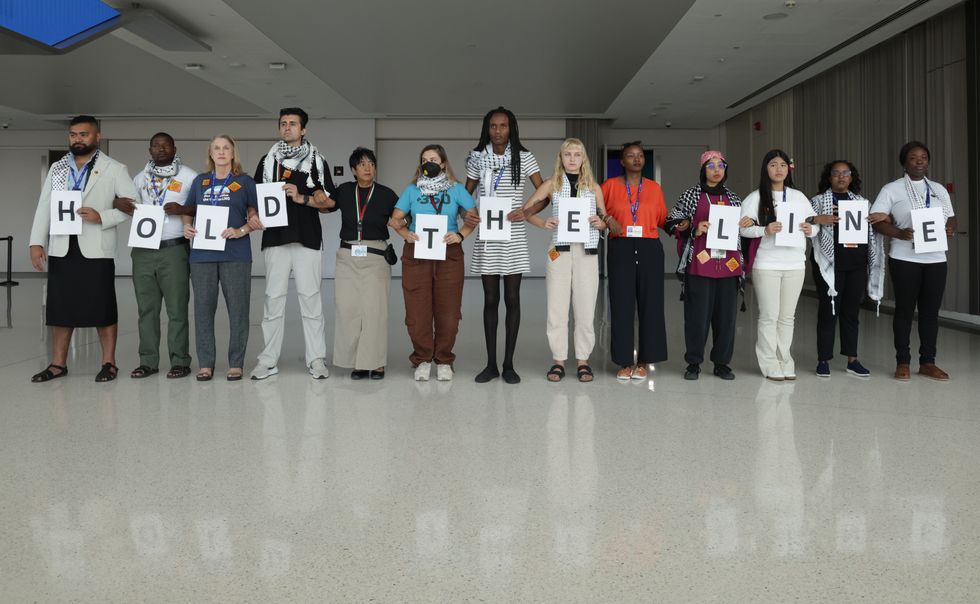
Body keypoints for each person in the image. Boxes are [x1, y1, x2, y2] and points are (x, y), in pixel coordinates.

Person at [29, 115, 138, 383]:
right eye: (73, 135)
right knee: (60, 308)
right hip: (62, 246)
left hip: (96, 248)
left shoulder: (114, 168)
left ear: (97, 137)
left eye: (84, 134)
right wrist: (36, 242)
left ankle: (109, 363)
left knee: (102, 307)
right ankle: (57, 364)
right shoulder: (58, 169)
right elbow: (45, 205)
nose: (78, 139)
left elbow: (133, 205)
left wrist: (102, 216)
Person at [248, 108, 336, 381]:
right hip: (275, 238)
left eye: (293, 124)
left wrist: (302, 198)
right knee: (273, 300)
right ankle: (268, 360)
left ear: (303, 130)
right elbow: (254, 196)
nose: (287, 128)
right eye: (283, 124)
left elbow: (330, 204)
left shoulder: (317, 162)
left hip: (307, 238)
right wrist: (252, 214)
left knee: (311, 300)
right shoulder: (268, 161)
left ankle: (316, 359)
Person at [465, 107, 545, 384]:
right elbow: (466, 194)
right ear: (487, 129)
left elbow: (544, 192)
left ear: (512, 128)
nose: (498, 131)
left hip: (513, 235)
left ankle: (509, 364)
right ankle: (490, 365)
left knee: (512, 299)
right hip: (488, 235)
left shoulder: (524, 157)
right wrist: (467, 212)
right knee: (490, 300)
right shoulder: (477, 157)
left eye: (503, 126)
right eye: (493, 126)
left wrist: (528, 210)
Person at [389, 144, 478, 381]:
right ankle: (422, 358)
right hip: (417, 254)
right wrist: (405, 233)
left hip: (448, 254)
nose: (429, 162)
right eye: (424, 159)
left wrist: (460, 235)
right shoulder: (411, 190)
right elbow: (395, 219)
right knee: (417, 311)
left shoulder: (457, 189)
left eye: (433, 159)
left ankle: (444, 359)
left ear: (443, 164)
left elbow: (473, 218)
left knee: (448, 311)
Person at [114, 132, 198, 379]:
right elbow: (130, 205)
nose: (161, 149)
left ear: (174, 148)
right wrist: (120, 203)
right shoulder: (140, 178)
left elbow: (203, 205)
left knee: (177, 309)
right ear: (149, 150)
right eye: (156, 146)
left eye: (166, 145)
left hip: (174, 249)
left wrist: (183, 209)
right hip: (143, 250)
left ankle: (180, 361)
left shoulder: (189, 176)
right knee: (146, 309)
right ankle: (148, 361)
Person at [870, 141, 956, 381]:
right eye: (913, 158)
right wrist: (899, 233)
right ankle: (903, 362)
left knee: (930, 313)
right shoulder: (892, 189)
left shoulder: (939, 189)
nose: (919, 161)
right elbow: (877, 220)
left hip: (936, 259)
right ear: (904, 163)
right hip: (904, 258)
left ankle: (928, 362)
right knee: (905, 311)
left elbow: (951, 217)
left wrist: (949, 228)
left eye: (924, 157)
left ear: (928, 161)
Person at [523, 138, 608, 382]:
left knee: (585, 307)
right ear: (561, 158)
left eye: (577, 155)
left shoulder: (593, 186)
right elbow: (526, 210)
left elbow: (604, 217)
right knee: (557, 309)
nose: (572, 159)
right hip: (558, 251)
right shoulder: (552, 184)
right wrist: (542, 222)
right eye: (567, 154)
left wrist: (600, 223)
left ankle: (583, 360)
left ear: (583, 159)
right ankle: (558, 360)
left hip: (587, 251)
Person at [665, 150, 752, 381]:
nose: (716, 170)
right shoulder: (691, 194)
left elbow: (746, 229)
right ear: (703, 170)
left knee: (726, 318)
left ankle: (722, 363)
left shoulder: (734, 198)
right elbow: (672, 220)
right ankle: (693, 363)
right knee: (697, 317)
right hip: (700, 263)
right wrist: (693, 227)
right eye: (711, 166)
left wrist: (748, 222)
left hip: (729, 264)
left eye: (720, 166)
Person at [182, 135, 258, 381]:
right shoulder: (200, 181)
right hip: (202, 255)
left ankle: (236, 363)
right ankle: (206, 363)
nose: (222, 152)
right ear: (211, 154)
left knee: (238, 310)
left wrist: (241, 230)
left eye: (226, 148)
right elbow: (188, 211)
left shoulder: (245, 182)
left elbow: (254, 215)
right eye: (217, 148)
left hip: (235, 253)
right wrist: (186, 226)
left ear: (233, 153)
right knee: (203, 310)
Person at [739, 149, 818, 381]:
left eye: (782, 165)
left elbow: (814, 225)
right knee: (769, 315)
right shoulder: (755, 197)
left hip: (795, 263)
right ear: (766, 168)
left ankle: (785, 360)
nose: (778, 169)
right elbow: (743, 228)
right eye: (773, 164)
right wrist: (765, 229)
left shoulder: (798, 197)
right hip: (767, 263)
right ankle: (769, 363)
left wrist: (810, 229)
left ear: (789, 169)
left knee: (787, 317)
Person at [809, 160, 887, 378]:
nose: (841, 177)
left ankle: (852, 359)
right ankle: (823, 359)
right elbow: (803, 224)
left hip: (856, 263)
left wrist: (883, 217)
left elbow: (875, 227)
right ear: (829, 177)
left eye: (846, 173)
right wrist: (817, 218)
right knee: (828, 310)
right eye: (836, 173)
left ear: (852, 177)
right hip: (828, 263)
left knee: (851, 312)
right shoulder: (816, 201)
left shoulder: (862, 203)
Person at [328, 148, 398, 380]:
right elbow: (326, 205)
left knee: (374, 311)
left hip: (376, 256)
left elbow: (406, 216)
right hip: (347, 256)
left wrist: (402, 221)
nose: (368, 168)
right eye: (362, 164)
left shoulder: (387, 194)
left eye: (371, 163)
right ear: (353, 170)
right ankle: (357, 362)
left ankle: (376, 363)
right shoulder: (345, 191)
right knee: (348, 309)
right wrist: (304, 197)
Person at [601, 141, 666, 381]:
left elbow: (661, 218)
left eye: (640, 156)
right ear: (622, 161)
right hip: (621, 246)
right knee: (622, 304)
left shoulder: (654, 188)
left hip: (649, 246)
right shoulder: (609, 186)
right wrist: (607, 218)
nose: (636, 159)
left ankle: (645, 361)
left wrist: (680, 225)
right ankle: (625, 362)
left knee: (651, 304)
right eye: (631, 156)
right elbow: (596, 208)